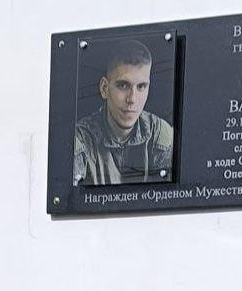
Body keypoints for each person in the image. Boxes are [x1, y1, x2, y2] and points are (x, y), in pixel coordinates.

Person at [73, 38, 174, 185]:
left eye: (141, 87)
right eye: (123, 85)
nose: (132, 99)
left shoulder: (160, 134)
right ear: (104, 88)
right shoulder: (81, 140)